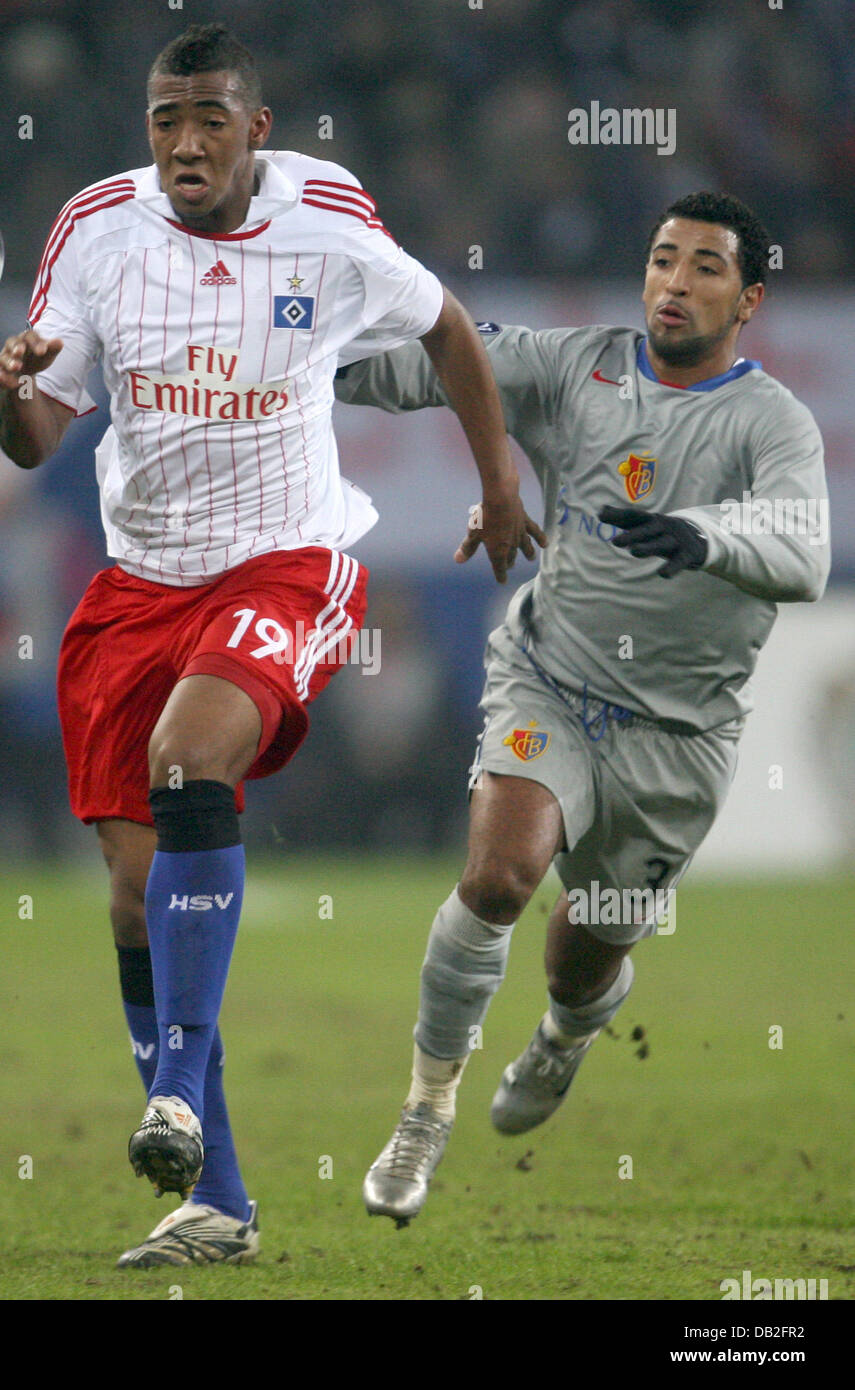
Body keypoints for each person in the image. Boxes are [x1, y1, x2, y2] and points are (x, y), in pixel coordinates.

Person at [0, 22, 542, 1267]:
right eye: (163, 120)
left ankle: (171, 1091)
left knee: (193, 759)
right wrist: (9, 385)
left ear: (256, 129)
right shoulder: (95, 231)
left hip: (285, 561)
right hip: (139, 587)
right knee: (135, 903)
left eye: (208, 121)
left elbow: (449, 326)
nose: (184, 143)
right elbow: (34, 435)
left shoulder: (328, 223)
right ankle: (217, 1204)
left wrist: (498, 489)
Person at [334, 191, 831, 1226]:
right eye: (661, 259)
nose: (674, 283)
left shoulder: (769, 421)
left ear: (748, 300)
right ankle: (424, 1110)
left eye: (703, 268)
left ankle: (564, 1035)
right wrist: (301, 365)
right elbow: (436, 358)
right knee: (498, 875)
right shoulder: (578, 365)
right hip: (551, 678)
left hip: (678, 738)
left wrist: (704, 536)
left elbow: (804, 553)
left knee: (583, 949)